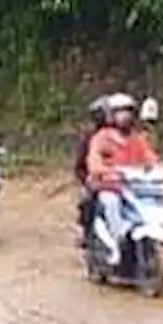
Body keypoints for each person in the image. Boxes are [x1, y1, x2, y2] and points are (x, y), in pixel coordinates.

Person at [87, 93, 161, 264]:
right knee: (111, 202)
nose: (125, 116)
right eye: (120, 112)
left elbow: (150, 158)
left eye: (128, 112)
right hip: (110, 187)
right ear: (112, 115)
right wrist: (104, 171)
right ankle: (116, 243)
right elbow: (94, 161)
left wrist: (160, 170)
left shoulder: (137, 140)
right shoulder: (102, 138)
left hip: (134, 188)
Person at [74, 96, 110, 247]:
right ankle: (88, 232)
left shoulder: (125, 136)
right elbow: (80, 165)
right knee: (88, 202)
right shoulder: (89, 137)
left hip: (122, 181)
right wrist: (87, 180)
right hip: (96, 180)